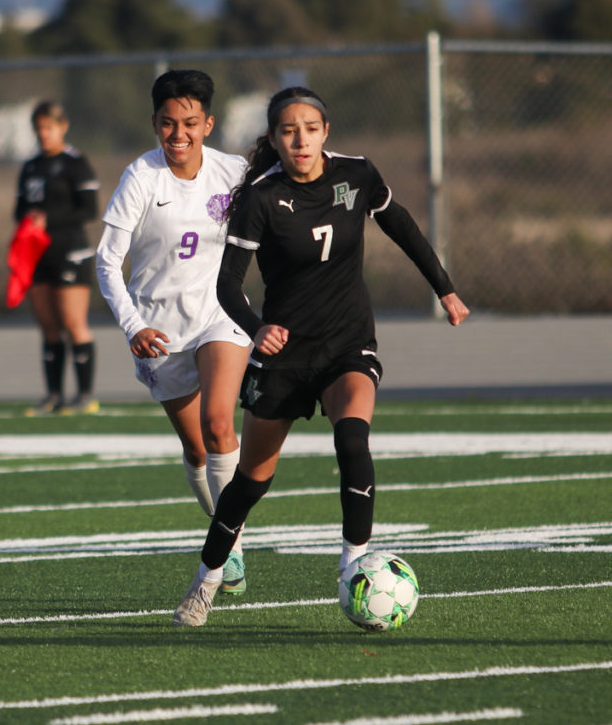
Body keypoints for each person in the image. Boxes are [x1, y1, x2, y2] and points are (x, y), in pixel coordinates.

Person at [171, 86, 470, 626]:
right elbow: (227, 285)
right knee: (249, 484)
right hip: (285, 357)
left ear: (325, 132)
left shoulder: (357, 175)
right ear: (276, 139)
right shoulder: (260, 197)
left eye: (310, 128)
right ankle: (208, 577)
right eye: (288, 130)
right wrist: (257, 331)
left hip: (346, 342)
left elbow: (401, 226)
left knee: (353, 440)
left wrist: (444, 289)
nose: (300, 139)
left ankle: (354, 563)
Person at [96, 69, 252, 594]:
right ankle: (223, 529)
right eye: (168, 123)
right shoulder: (140, 178)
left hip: (219, 315)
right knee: (196, 451)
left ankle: (222, 550)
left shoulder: (234, 172)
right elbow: (106, 262)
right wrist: (133, 325)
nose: (178, 134)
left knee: (218, 425)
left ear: (208, 123)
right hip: (158, 330)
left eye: (190, 123)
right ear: (155, 123)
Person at [14, 101, 101, 416]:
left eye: (48, 128)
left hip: (70, 251)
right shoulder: (31, 166)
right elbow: (19, 210)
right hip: (37, 254)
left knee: (73, 323)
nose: (43, 134)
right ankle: (52, 395)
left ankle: (85, 396)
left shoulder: (75, 164)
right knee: (48, 325)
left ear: (62, 127)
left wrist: (48, 219)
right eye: (38, 129)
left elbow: (89, 210)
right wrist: (30, 219)